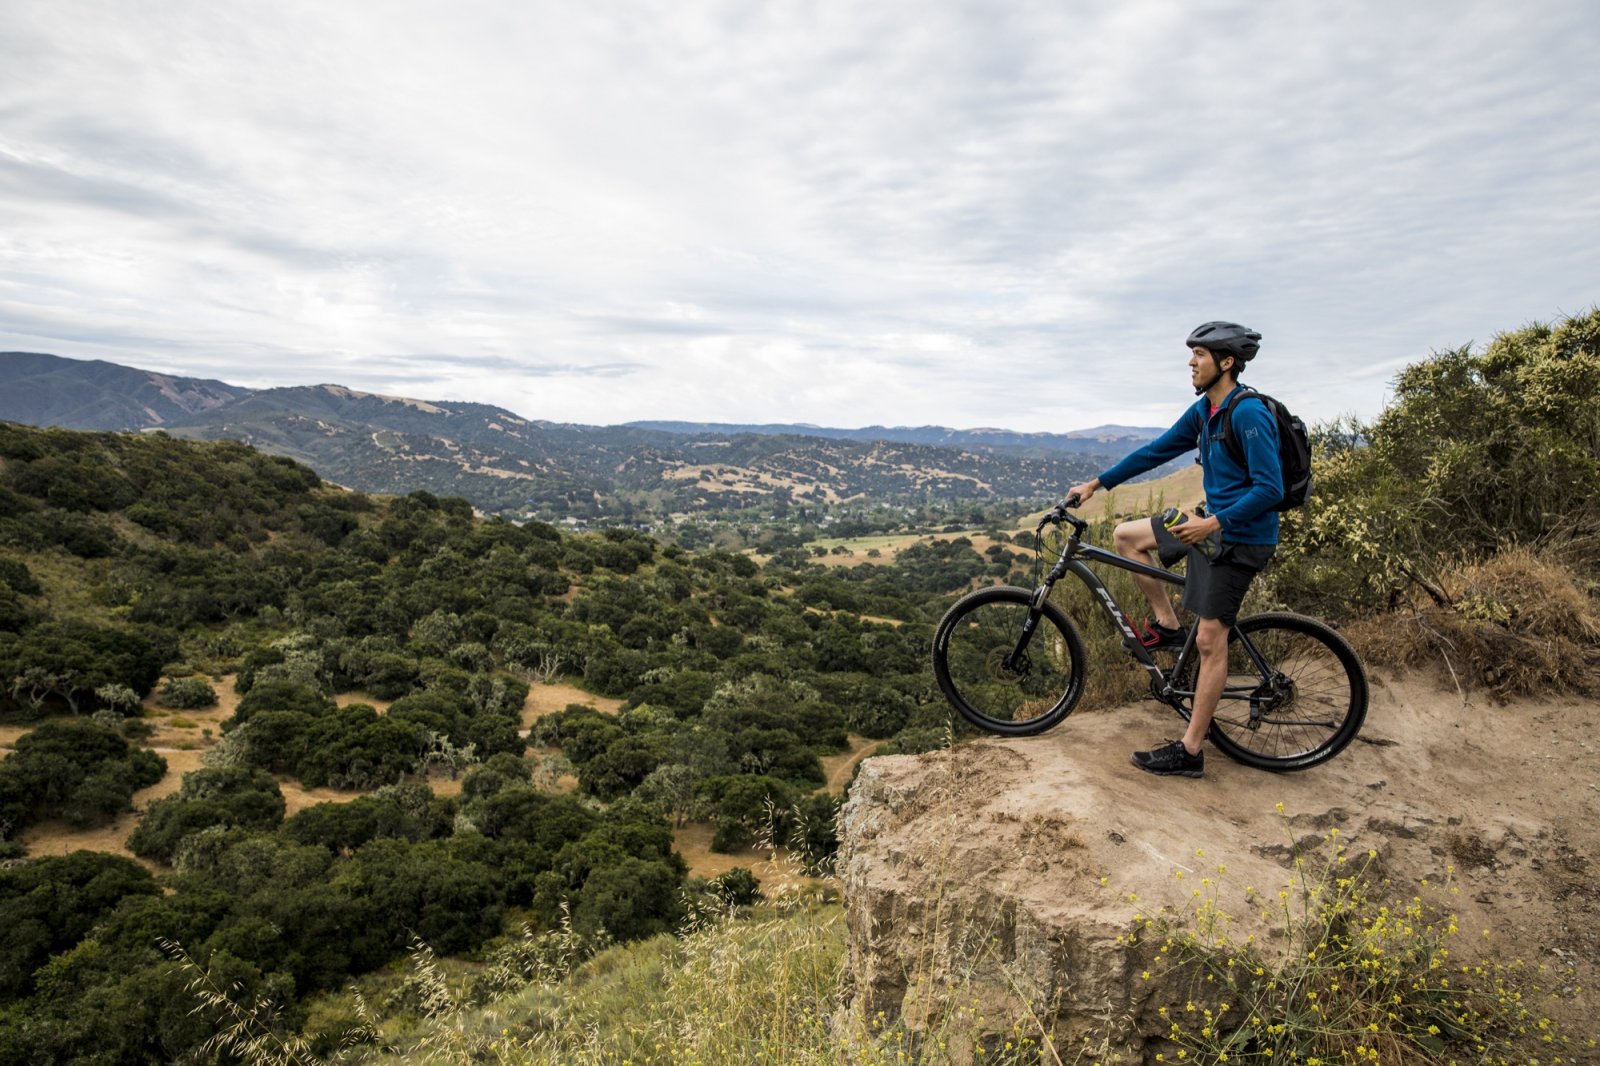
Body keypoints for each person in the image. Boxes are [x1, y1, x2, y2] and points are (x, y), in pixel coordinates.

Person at [1064, 321, 1283, 779]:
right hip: (1209, 522)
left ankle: (1191, 751)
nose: (1190, 362)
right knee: (1127, 537)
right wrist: (1095, 484)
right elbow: (1154, 452)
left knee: (1210, 640)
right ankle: (1167, 626)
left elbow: (1270, 488)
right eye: (1192, 355)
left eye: (1199, 355)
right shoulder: (1205, 411)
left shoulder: (1248, 414)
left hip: (1240, 537)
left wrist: (1213, 524)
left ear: (1226, 363)